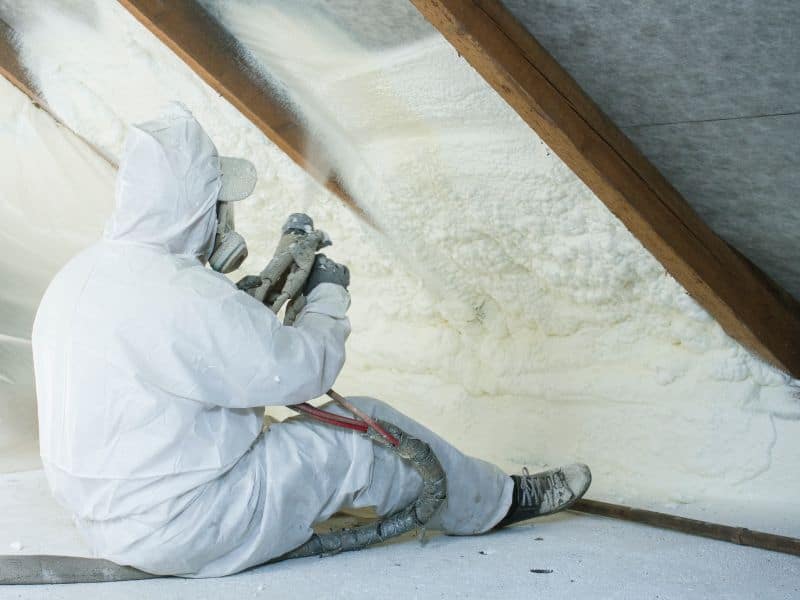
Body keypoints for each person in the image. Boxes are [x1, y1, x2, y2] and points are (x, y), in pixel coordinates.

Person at [32, 103, 591, 578]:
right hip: (188, 524)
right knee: (366, 431)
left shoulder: (81, 277)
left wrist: (245, 306)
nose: (223, 217)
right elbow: (302, 372)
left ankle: (488, 498)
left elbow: (178, 358)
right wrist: (327, 299)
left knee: (283, 437)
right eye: (217, 203)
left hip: (104, 519)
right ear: (197, 206)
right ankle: (499, 504)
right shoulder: (186, 295)